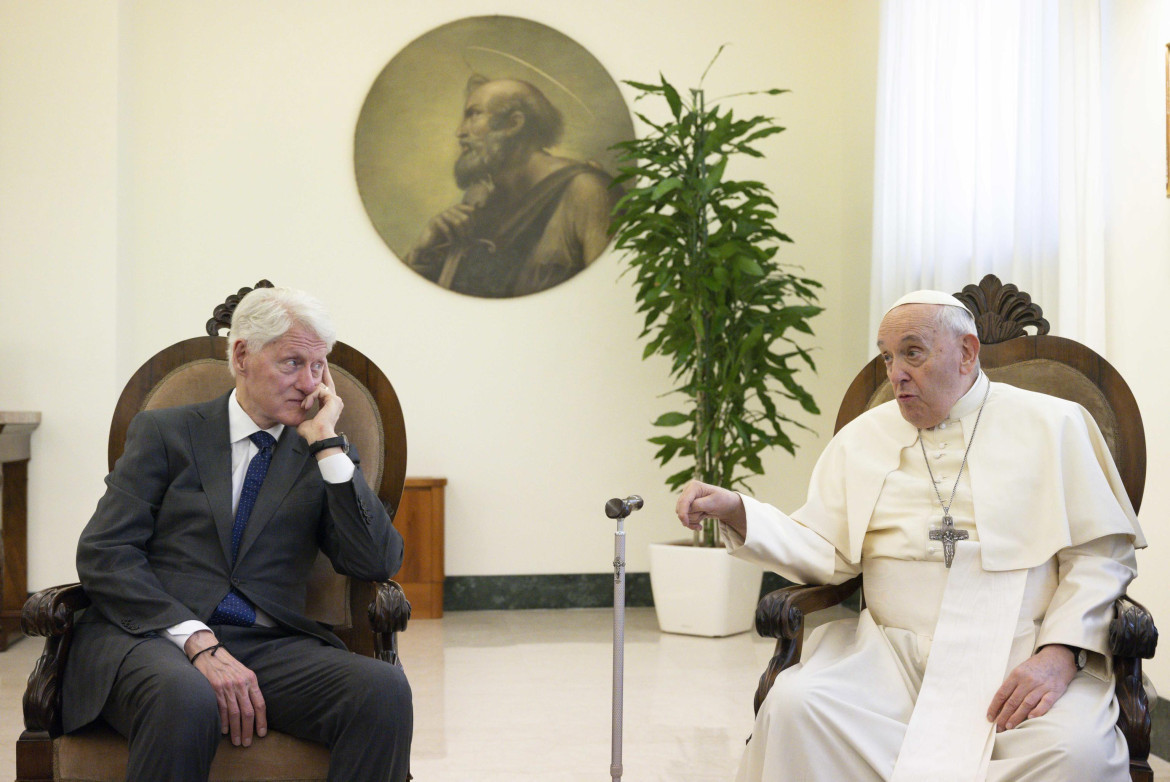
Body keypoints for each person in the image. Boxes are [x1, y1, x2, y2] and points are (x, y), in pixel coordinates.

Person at [675, 290, 1145, 782]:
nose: (895, 372)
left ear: (966, 352)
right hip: (888, 662)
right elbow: (826, 549)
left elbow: (1100, 557)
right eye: (887, 355)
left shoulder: (1056, 424)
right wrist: (740, 512)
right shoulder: (862, 438)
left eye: (912, 352)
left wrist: (1061, 652)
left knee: (1073, 751)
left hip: (1019, 655)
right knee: (798, 707)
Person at [61, 287, 412, 782]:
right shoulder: (166, 432)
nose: (308, 384)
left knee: (382, 689)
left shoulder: (323, 454)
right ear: (243, 355)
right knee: (184, 695)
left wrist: (329, 449)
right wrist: (196, 640)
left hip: (269, 647)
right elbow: (105, 552)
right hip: (155, 637)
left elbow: (376, 562)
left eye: (318, 368)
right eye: (292, 363)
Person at [406, 75, 620, 298]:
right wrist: (421, 253)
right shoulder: (480, 201)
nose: (460, 131)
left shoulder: (588, 191)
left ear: (513, 124)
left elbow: (611, 294)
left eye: (474, 114)